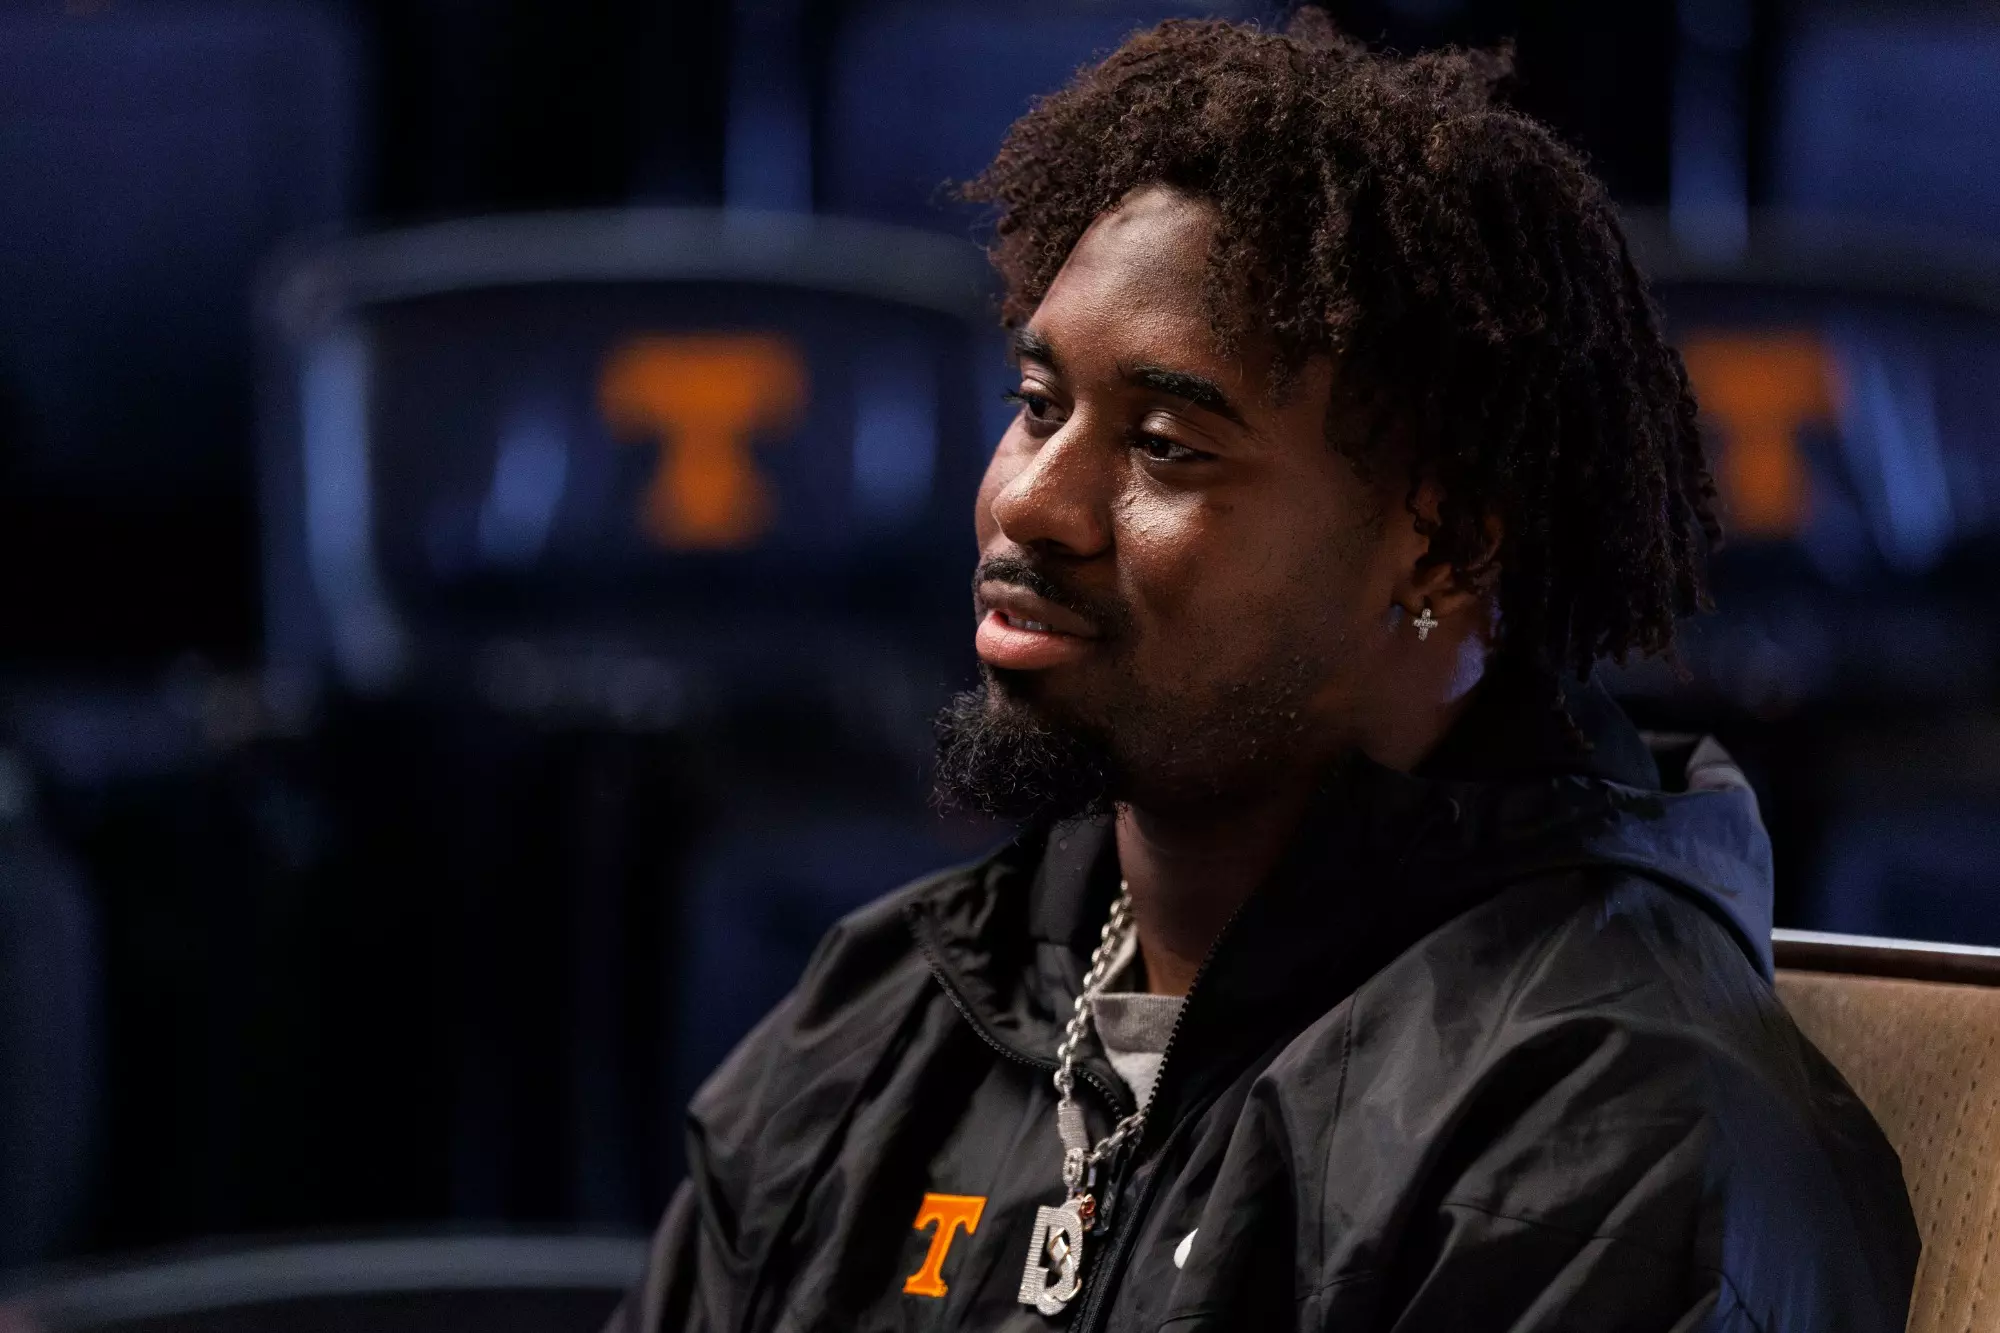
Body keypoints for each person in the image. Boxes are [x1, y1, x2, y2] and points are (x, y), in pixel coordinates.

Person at [612, 13, 1917, 1331]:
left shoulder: (1611, 1133)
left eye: (1168, 446)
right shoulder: (885, 1018)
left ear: (1444, 545)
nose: (1034, 504)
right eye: (1037, 405)